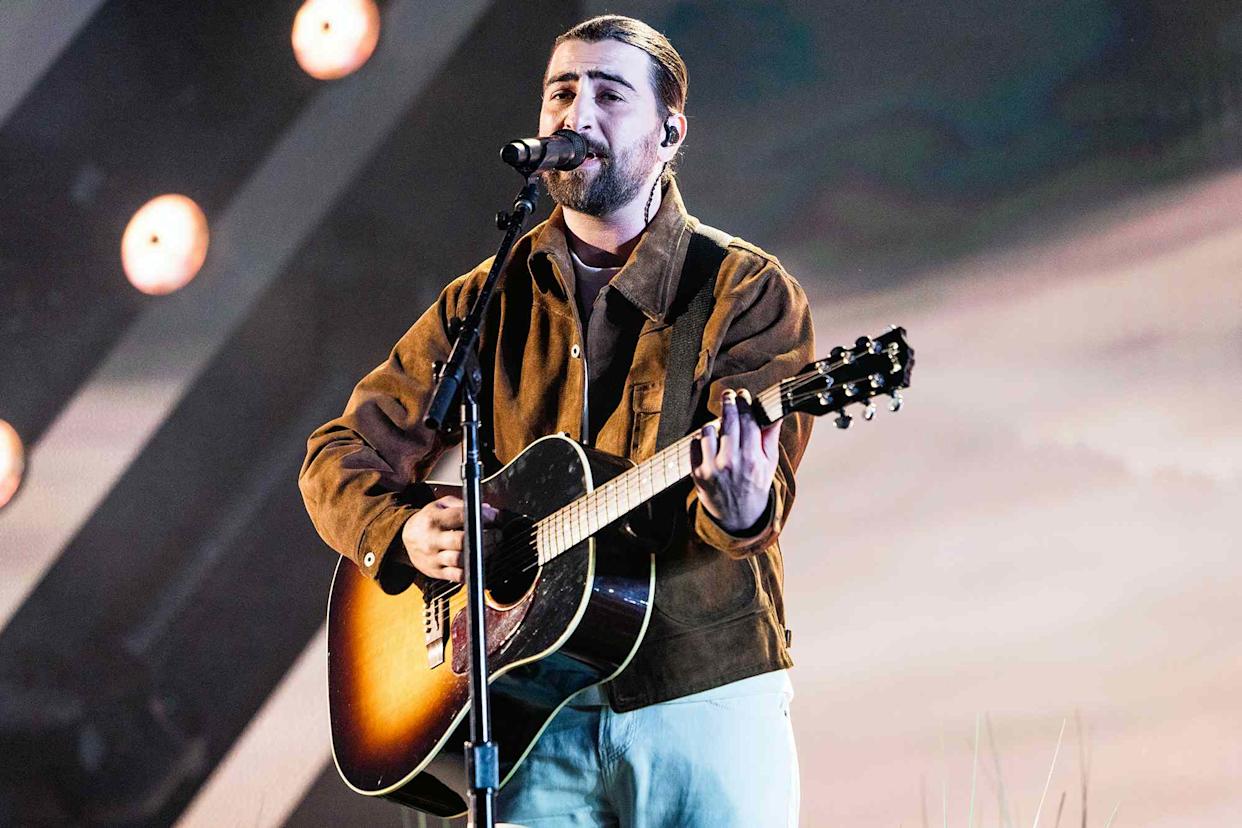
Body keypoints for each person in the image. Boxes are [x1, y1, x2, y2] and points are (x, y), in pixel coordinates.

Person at [299, 15, 815, 827]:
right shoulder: (484, 299)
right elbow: (339, 455)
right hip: (531, 711)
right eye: (562, 92)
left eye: (610, 93)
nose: (577, 113)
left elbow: (754, 504)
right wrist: (401, 535)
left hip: (700, 694)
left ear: (669, 131)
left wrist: (739, 502)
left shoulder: (744, 292)